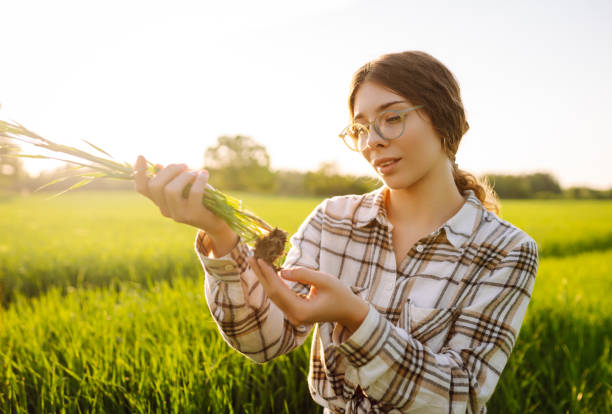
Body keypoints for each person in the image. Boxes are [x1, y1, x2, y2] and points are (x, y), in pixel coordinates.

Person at [134, 50, 539, 413]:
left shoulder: (506, 250)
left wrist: (356, 318)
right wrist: (220, 234)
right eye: (361, 128)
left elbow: (460, 394)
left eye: (392, 118)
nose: (372, 143)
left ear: (444, 120)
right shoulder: (332, 221)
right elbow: (264, 341)